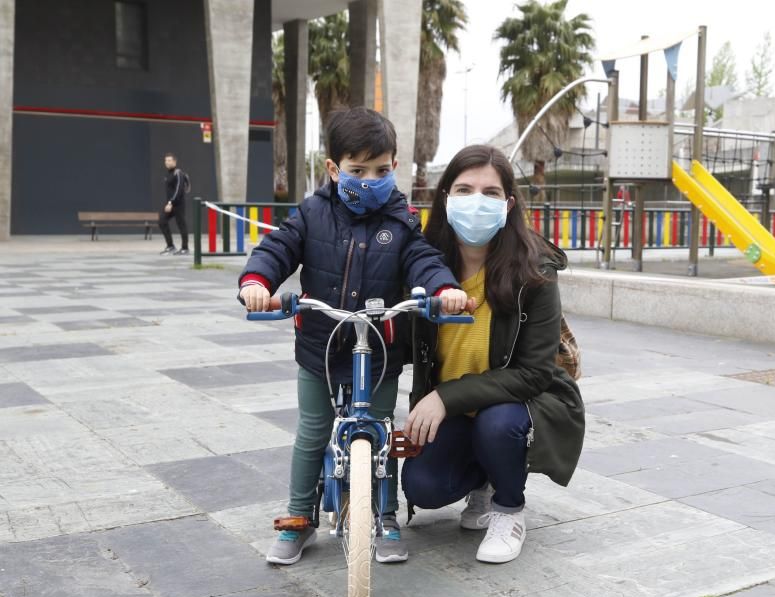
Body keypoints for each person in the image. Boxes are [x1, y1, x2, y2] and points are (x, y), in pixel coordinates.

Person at [238, 107, 469, 566]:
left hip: (380, 348)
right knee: (313, 432)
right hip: (320, 347)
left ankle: (384, 516)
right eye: (357, 170)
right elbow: (278, 247)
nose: (370, 179)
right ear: (333, 168)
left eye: (381, 170)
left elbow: (423, 259)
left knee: (381, 431)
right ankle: (299, 517)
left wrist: (444, 291)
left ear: (395, 166)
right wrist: (258, 282)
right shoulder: (312, 213)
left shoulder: (402, 220)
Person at [401, 144, 585, 564]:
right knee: (422, 487)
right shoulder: (425, 266)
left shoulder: (534, 271)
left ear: (509, 204)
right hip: (457, 412)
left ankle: (508, 506)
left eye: (490, 192)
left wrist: (444, 397)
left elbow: (534, 374)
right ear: (445, 198)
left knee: (498, 425)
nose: (476, 202)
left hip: (518, 404)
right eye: (464, 190)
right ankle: (484, 477)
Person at [158, 153, 190, 255]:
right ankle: (170, 246)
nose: (167, 162)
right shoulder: (167, 174)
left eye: (169, 160)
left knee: (181, 225)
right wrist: (169, 203)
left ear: (174, 162)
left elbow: (179, 190)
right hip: (170, 204)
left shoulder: (178, 173)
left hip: (178, 204)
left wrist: (171, 202)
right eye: (165, 160)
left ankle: (185, 248)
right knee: (162, 221)